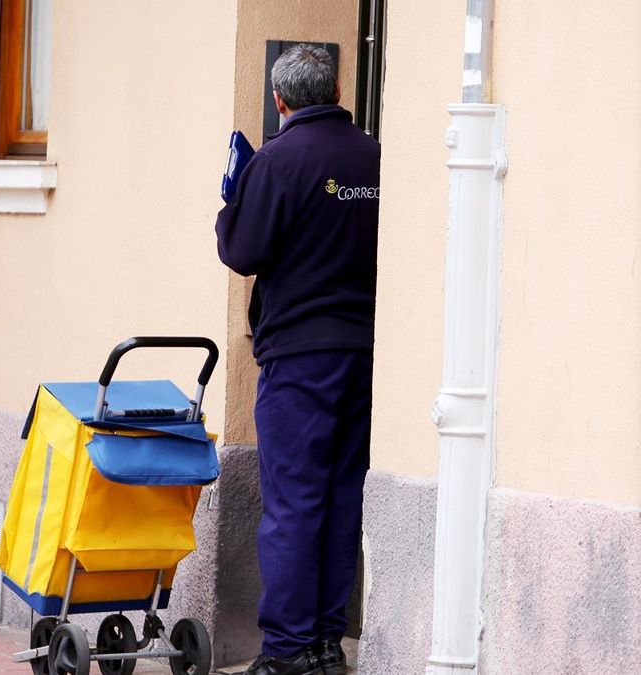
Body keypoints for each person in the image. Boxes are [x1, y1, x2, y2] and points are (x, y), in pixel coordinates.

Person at [215, 44, 380, 675]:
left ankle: (286, 651)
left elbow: (242, 251)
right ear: (338, 90)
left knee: (292, 504)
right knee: (340, 498)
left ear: (280, 101)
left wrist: (231, 198)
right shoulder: (374, 156)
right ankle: (325, 647)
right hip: (364, 353)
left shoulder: (278, 161)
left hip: (299, 358)